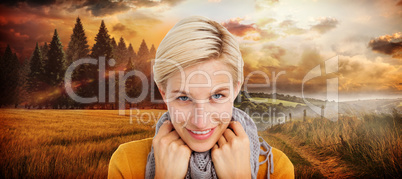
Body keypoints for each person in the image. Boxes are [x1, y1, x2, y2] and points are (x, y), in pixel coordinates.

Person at [108, 15, 294, 179]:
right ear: (163, 93)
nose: (200, 122)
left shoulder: (275, 168)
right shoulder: (127, 162)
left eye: (217, 95)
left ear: (236, 90)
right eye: (183, 98)